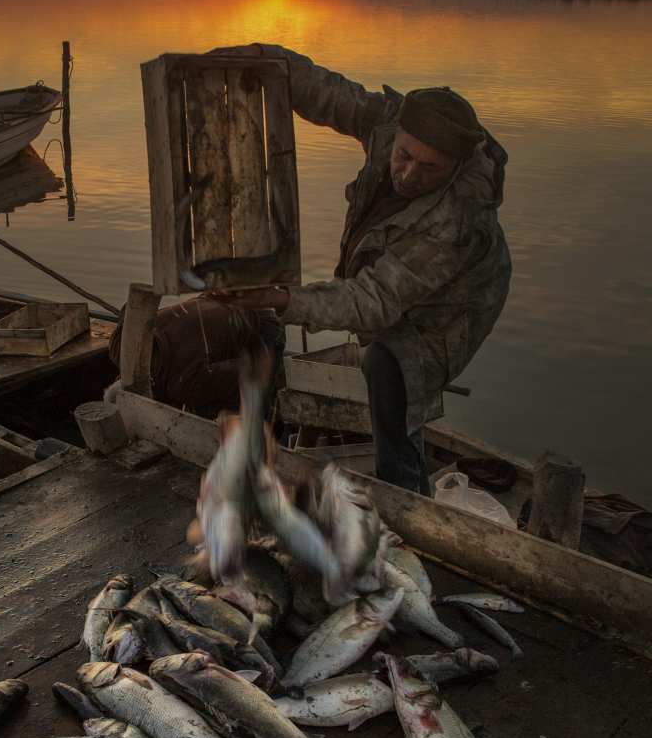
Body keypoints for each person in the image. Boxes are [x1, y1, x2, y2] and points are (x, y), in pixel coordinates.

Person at [204, 43, 512, 495]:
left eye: (429, 169)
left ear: (455, 166)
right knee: (378, 352)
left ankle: (406, 495)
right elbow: (324, 92)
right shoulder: (387, 121)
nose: (408, 175)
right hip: (396, 274)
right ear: (397, 134)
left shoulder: (457, 223)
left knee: (393, 369)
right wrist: (255, 59)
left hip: (458, 302)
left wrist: (284, 299)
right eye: (404, 156)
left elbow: (375, 300)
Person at [107, 297, 284, 417]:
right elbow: (129, 306)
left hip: (264, 327)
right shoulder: (120, 346)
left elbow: (247, 373)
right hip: (224, 302)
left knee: (213, 412)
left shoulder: (184, 382)